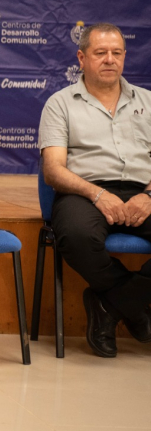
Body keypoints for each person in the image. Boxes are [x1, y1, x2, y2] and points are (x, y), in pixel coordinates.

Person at [40, 22, 151, 358]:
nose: (109, 59)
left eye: (116, 53)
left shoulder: (148, 101)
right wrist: (97, 194)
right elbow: (54, 169)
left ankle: (111, 304)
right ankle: (133, 304)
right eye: (100, 52)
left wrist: (148, 195)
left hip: (143, 190)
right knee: (74, 236)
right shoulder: (60, 104)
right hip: (84, 192)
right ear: (82, 57)